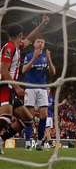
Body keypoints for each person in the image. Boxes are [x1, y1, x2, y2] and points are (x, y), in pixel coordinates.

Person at [0, 16, 48, 151]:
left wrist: (42, 24)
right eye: (23, 36)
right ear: (20, 35)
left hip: (10, 87)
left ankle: (0, 140)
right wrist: (16, 87)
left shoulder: (17, 46)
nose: (24, 39)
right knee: (5, 118)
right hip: (4, 85)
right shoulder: (9, 48)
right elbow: (3, 69)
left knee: (27, 119)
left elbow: (30, 38)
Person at [20, 36, 56, 150]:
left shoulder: (46, 57)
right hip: (30, 88)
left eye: (42, 42)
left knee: (44, 115)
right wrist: (34, 58)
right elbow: (23, 70)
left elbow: (53, 72)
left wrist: (49, 59)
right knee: (29, 116)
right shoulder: (29, 55)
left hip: (42, 88)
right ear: (34, 44)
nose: (40, 44)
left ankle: (40, 142)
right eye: (38, 42)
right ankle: (27, 143)